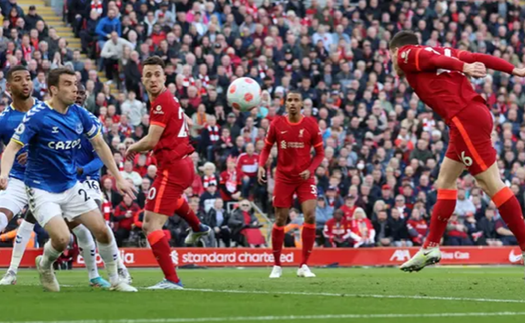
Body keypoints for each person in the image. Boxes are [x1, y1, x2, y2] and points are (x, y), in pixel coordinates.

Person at [388, 30, 525, 272]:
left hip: (464, 118)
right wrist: (513, 70)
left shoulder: (406, 54)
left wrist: (464, 68)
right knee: (445, 181)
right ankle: (430, 246)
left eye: (391, 56)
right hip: (465, 118)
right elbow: (477, 56)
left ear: (395, 50)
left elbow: (437, 61)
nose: (393, 62)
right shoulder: (443, 50)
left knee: (490, 183)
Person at [0, 68, 137, 292]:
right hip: (40, 188)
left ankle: (115, 278)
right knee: (62, 239)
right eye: (68, 84)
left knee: (101, 229)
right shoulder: (38, 115)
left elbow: (101, 145)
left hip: (70, 185)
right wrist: (4, 173)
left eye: (75, 83)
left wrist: (119, 178)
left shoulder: (80, 114)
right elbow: (12, 148)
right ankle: (44, 265)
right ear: (54, 89)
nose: (75, 88)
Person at [125, 56, 211, 290]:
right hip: (179, 165)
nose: (153, 79)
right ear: (142, 79)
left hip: (173, 167)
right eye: (148, 75)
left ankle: (173, 280)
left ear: (165, 77)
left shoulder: (162, 102)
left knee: (150, 226)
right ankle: (198, 227)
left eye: (157, 75)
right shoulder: (165, 100)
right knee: (169, 200)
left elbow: (152, 140)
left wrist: (132, 147)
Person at [258, 90, 324, 278]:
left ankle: (303, 265)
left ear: (302, 104)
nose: (293, 103)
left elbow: (320, 154)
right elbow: (266, 148)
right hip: (283, 177)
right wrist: (261, 165)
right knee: (280, 219)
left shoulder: (311, 125)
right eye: (290, 100)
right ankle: (277, 265)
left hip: (305, 178)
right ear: (285, 104)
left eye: (296, 100)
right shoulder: (277, 124)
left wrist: (310, 170)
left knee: (310, 216)